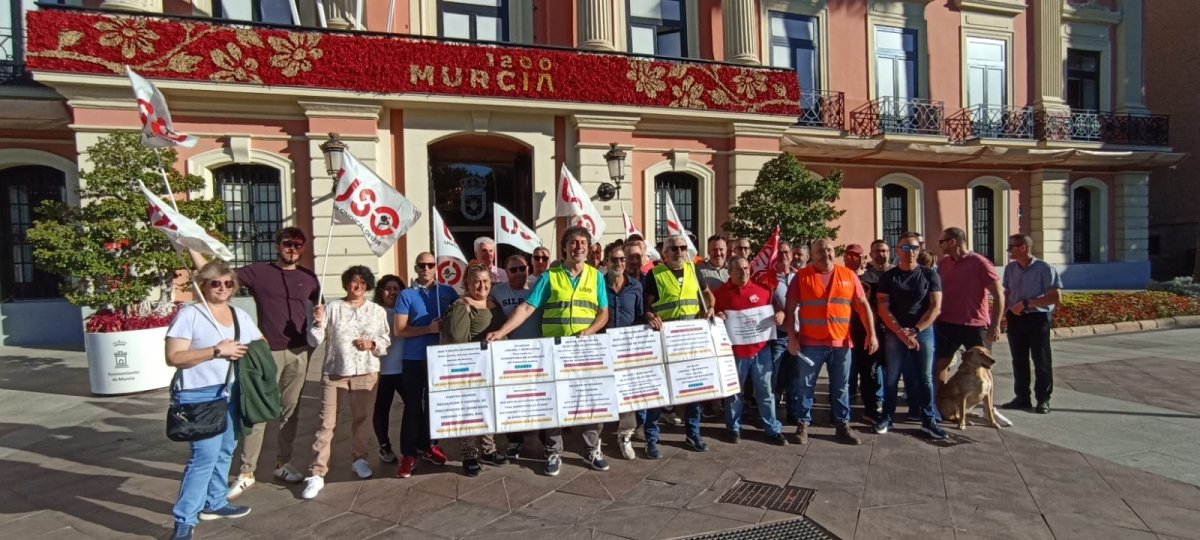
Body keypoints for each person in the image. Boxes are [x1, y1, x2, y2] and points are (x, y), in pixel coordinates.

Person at [189, 227, 320, 498]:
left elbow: (319, 310)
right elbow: (217, 275)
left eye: (297, 244)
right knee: (257, 410)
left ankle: (283, 464)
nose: (292, 248)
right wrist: (191, 247)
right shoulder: (259, 271)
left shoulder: (309, 278)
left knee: (290, 411)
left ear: (303, 248)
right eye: (287, 243)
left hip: (299, 352)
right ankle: (247, 471)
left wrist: (321, 318)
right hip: (264, 351)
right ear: (277, 245)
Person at [487, 226, 611, 476]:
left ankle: (591, 449)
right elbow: (527, 308)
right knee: (555, 402)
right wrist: (501, 332)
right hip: (554, 350)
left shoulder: (596, 276)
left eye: (583, 243)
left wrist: (590, 330)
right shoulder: (549, 276)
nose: (578, 247)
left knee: (589, 402)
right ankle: (553, 451)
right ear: (565, 247)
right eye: (573, 242)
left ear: (588, 248)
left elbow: (603, 313)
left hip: (585, 349)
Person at [166, 262, 262, 540]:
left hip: (230, 391)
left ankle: (216, 502)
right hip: (199, 394)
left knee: (225, 450)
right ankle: (185, 519)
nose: (222, 288)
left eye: (228, 283)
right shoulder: (190, 314)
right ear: (203, 284)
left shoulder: (238, 314)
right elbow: (174, 357)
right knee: (203, 458)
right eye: (215, 283)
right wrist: (216, 350)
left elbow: (258, 342)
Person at [301, 266, 391, 499]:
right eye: (353, 281)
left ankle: (359, 458)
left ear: (368, 285)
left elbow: (385, 340)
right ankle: (317, 472)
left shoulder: (376, 310)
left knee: (362, 419)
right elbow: (315, 340)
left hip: (366, 372)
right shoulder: (332, 308)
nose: (358, 286)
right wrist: (318, 322)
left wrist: (371, 344)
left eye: (363, 282)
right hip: (335, 372)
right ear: (346, 283)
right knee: (327, 423)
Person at [784, 239, 878, 446]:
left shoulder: (848, 275)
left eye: (828, 250)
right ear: (811, 255)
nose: (825, 254)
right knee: (805, 385)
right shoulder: (801, 277)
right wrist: (791, 337)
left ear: (834, 252)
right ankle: (802, 423)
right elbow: (789, 309)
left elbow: (863, 306)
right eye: (819, 251)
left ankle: (842, 424)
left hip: (842, 343)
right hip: (810, 343)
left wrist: (871, 334)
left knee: (841, 386)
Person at [643, 233, 717, 456]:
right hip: (665, 342)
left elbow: (707, 294)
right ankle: (651, 439)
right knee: (660, 392)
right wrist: (649, 317)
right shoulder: (655, 274)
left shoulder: (694, 270)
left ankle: (693, 434)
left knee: (692, 391)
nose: (679, 252)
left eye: (683, 248)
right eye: (674, 248)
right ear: (666, 252)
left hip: (690, 341)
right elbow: (647, 307)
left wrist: (710, 307)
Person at [875, 233, 945, 439]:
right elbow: (883, 308)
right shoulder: (888, 277)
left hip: (922, 332)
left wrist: (915, 330)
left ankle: (928, 420)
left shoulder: (930, 275)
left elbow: (935, 307)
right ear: (897, 251)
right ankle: (887, 417)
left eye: (914, 248)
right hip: (894, 332)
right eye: (905, 248)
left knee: (924, 378)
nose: (910, 252)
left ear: (919, 250)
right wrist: (900, 332)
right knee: (892, 378)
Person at [393, 252, 457, 478]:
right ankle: (409, 454)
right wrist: (427, 329)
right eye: (422, 265)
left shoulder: (447, 292)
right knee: (412, 406)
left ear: (436, 267)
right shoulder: (406, 294)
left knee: (434, 405)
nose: (426, 268)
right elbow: (399, 329)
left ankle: (429, 445)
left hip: (438, 358)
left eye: (430, 264)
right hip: (414, 358)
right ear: (416, 267)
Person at [714, 255, 788, 445]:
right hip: (735, 353)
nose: (744, 272)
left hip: (761, 350)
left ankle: (772, 429)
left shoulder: (762, 291)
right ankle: (733, 427)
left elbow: (778, 308)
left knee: (765, 391)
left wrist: (780, 314)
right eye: (739, 270)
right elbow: (710, 314)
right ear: (729, 272)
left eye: (746, 268)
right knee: (734, 393)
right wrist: (717, 315)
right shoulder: (719, 293)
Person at [445, 264, 508, 476]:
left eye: (486, 281)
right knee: (470, 411)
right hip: (472, 369)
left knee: (489, 408)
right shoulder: (462, 305)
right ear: (468, 284)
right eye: (477, 282)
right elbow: (457, 339)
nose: (481, 286)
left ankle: (489, 449)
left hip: (493, 366)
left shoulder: (493, 302)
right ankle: (469, 454)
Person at [934, 228, 1004, 397]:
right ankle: (939, 403)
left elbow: (999, 295)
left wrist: (995, 325)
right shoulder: (943, 264)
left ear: (953, 242)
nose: (940, 246)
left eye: (941, 242)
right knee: (941, 363)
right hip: (947, 323)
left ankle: (988, 408)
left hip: (975, 325)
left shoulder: (980, 263)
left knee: (983, 366)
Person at [1000, 234, 1063, 414]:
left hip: (1037, 318)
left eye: (1011, 247)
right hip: (1016, 318)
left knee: (1041, 360)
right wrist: (999, 317)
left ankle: (1043, 400)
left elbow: (1055, 297)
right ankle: (1022, 398)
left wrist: (1027, 303)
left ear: (1023, 248)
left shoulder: (1045, 268)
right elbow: (1007, 293)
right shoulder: (1010, 268)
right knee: (1018, 360)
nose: (1008, 251)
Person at [602, 241, 649, 460]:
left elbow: (640, 315)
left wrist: (650, 318)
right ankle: (597, 438)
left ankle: (625, 436)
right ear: (606, 262)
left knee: (628, 395)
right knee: (603, 394)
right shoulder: (598, 285)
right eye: (615, 259)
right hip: (602, 347)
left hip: (628, 348)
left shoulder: (636, 286)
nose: (620, 263)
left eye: (622, 259)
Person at [845, 243, 884, 422]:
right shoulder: (840, 276)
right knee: (844, 374)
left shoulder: (874, 279)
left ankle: (870, 408)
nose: (850, 259)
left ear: (863, 258)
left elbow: (879, 307)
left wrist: (873, 332)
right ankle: (839, 411)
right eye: (847, 256)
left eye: (855, 256)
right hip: (844, 332)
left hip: (866, 332)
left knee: (870, 373)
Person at [695, 234, 730, 419]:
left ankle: (726, 401)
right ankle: (707, 404)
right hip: (708, 324)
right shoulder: (699, 271)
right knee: (708, 366)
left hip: (731, 326)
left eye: (721, 249)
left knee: (726, 365)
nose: (718, 253)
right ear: (708, 251)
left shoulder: (733, 269)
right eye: (714, 249)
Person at [372, 275, 406, 464]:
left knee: (414, 406)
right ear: (381, 292)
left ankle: (413, 443)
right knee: (381, 410)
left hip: (403, 369)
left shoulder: (407, 310)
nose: (392, 292)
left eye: (396, 288)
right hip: (382, 371)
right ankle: (384, 445)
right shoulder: (375, 312)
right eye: (388, 288)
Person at [769, 241, 798, 419]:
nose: (783, 255)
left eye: (787, 252)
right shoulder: (768, 278)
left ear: (792, 255)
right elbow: (763, 302)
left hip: (797, 333)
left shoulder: (799, 276)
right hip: (778, 334)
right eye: (780, 252)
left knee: (795, 376)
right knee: (773, 375)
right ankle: (771, 414)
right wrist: (776, 310)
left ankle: (793, 413)